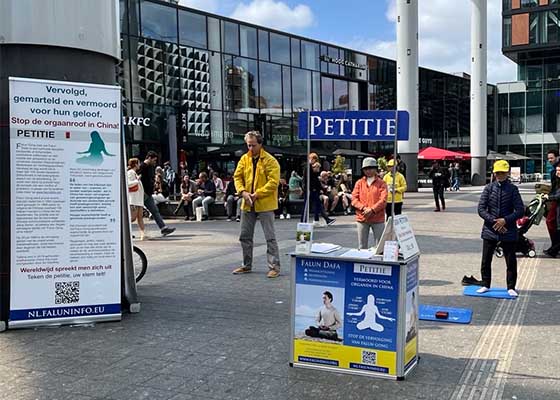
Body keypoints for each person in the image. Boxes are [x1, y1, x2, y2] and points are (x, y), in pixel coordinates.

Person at [231, 131, 282, 278]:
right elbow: (237, 177)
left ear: (260, 144)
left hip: (264, 203)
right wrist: (243, 192)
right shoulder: (244, 159)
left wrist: (256, 194)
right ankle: (246, 265)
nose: (250, 148)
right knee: (244, 236)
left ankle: (274, 267)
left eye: (253, 145)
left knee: (270, 237)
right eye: (248, 145)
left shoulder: (270, 160)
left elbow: (273, 182)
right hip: (247, 203)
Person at [477, 160, 524, 297]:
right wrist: (494, 221)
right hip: (490, 229)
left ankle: (511, 287)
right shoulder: (488, 188)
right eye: (497, 173)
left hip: (508, 229)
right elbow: (481, 209)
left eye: (502, 173)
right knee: (486, 259)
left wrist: (505, 220)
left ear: (507, 173)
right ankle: (485, 284)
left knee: (510, 260)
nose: (499, 175)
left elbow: (520, 210)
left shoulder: (513, 189)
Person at [352, 158, 388, 249]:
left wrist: (372, 209)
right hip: (362, 218)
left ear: (375, 169)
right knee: (362, 246)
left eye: (371, 168)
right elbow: (354, 199)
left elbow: (383, 200)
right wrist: (363, 208)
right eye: (365, 169)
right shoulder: (359, 183)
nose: (368, 171)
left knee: (380, 246)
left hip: (378, 218)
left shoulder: (382, 183)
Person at [138, 151, 175, 236]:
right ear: (149, 158)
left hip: (147, 193)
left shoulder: (150, 167)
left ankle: (163, 228)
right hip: (142, 193)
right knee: (135, 214)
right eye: (154, 160)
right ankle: (125, 230)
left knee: (154, 211)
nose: (155, 162)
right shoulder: (142, 166)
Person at [301, 153, 335, 226]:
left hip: (313, 189)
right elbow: (309, 179)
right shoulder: (308, 167)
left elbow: (314, 179)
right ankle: (304, 221)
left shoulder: (310, 167)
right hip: (310, 189)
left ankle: (322, 220)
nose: (315, 161)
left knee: (317, 205)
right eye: (314, 159)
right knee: (308, 206)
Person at [127, 158, 147, 240]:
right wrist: (137, 180)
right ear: (135, 164)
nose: (139, 165)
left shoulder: (134, 173)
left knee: (140, 217)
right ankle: (123, 230)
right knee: (133, 218)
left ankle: (143, 234)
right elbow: (128, 184)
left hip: (138, 199)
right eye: (138, 163)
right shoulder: (130, 172)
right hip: (134, 199)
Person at [545, 149, 559, 255]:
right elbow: (554, 187)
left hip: (557, 199)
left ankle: (555, 248)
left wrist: (550, 197)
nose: (549, 160)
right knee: (551, 222)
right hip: (556, 199)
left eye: (551, 158)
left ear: (557, 157)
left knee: (551, 222)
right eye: (548, 158)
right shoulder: (554, 170)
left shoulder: (557, 169)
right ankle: (554, 247)